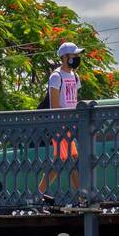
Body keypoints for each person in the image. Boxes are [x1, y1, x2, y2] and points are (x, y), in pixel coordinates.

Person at [38, 42, 82, 206]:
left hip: (70, 125)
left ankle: (38, 193)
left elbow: (74, 101)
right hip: (60, 125)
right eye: (74, 56)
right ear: (64, 57)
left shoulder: (75, 76)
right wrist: (65, 122)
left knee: (63, 162)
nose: (77, 58)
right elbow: (55, 105)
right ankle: (82, 198)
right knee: (69, 161)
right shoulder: (56, 77)